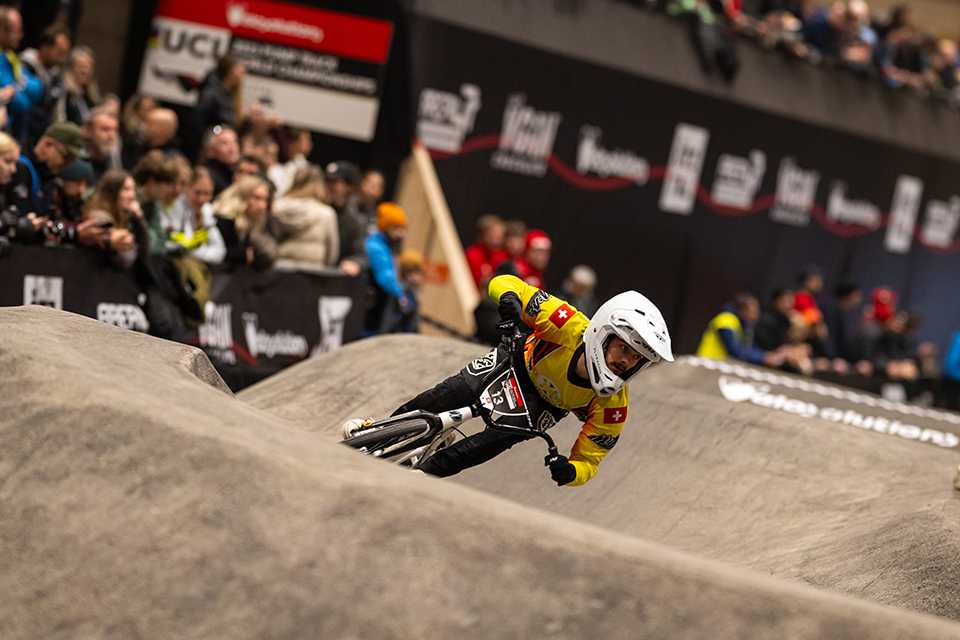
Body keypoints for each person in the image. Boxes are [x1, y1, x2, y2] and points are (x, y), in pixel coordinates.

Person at [344, 274, 675, 486]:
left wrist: (571, 472)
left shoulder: (613, 406)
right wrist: (509, 302)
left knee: (477, 449)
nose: (625, 362)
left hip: (541, 407)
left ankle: (417, 481)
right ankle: (382, 426)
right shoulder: (567, 323)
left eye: (637, 359)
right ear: (602, 333)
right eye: (623, 349)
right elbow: (506, 282)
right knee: (445, 395)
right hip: (514, 362)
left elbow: (590, 460)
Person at [697, 292, 808, 369]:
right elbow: (736, 350)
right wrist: (764, 357)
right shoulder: (726, 320)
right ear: (743, 310)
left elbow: (748, 347)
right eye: (753, 311)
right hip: (707, 364)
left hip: (718, 366)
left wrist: (770, 354)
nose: (756, 315)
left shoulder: (742, 325)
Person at [271, 166, 339, 266]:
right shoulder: (326, 213)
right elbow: (332, 253)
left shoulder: (276, 207)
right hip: (313, 274)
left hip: (279, 269)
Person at [364, 202, 413, 335]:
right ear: (386, 227)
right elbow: (385, 277)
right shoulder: (376, 247)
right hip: (370, 310)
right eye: (397, 228)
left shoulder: (386, 246)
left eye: (403, 229)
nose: (401, 234)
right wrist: (400, 294)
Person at [212, 174, 276, 269]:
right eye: (257, 198)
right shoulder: (224, 219)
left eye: (265, 200)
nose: (262, 205)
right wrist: (242, 255)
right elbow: (216, 254)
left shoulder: (249, 221)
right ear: (242, 197)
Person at [20, 24, 70, 144]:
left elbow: (59, 115)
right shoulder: (22, 66)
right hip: (20, 129)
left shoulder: (58, 78)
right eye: (59, 52)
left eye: (65, 53)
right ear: (45, 47)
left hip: (41, 137)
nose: (62, 58)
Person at [166, 165, 226, 265]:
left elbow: (220, 251)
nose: (201, 199)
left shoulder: (206, 210)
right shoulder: (174, 207)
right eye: (197, 192)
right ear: (186, 188)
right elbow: (181, 247)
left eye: (207, 193)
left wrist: (196, 251)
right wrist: (200, 250)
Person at [0, 6, 42, 143]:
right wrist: (16, 89)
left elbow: (37, 88)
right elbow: (21, 103)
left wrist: (13, 90)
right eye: (15, 31)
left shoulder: (11, 57)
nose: (20, 36)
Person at [325, 160, 366, 275]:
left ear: (350, 187)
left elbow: (361, 255)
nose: (329, 186)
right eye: (327, 181)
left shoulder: (354, 221)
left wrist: (355, 262)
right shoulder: (315, 207)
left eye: (334, 182)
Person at [196, 55, 244, 132]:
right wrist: (217, 132)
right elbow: (200, 122)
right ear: (230, 71)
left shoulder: (231, 94)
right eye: (239, 69)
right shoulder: (212, 93)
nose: (243, 72)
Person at [55, 45, 101, 126]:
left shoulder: (90, 95)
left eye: (88, 67)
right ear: (71, 68)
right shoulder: (63, 91)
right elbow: (60, 123)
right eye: (81, 67)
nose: (85, 71)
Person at [465, 214, 507, 289]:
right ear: (483, 235)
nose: (497, 236)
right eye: (493, 233)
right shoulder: (472, 254)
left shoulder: (505, 254)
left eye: (499, 233)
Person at [268, 126, 311, 196]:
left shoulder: (306, 168)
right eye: (305, 139)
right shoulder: (275, 168)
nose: (309, 144)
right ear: (293, 142)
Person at [202, 125, 240, 196]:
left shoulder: (240, 172)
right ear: (210, 150)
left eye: (235, 142)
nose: (232, 148)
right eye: (224, 143)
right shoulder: (207, 176)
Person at [85, 107, 122, 180]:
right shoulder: (77, 161)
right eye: (105, 129)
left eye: (115, 130)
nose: (111, 135)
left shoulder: (115, 159)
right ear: (89, 131)